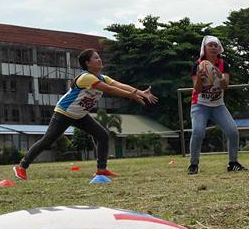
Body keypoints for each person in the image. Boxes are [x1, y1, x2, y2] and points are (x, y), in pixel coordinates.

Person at [13, 49, 156, 181]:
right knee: (48, 140)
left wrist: (140, 92)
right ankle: (21, 166)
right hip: (64, 112)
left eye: (99, 57)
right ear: (87, 63)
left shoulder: (102, 77)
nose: (100, 60)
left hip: (80, 115)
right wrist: (131, 96)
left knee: (102, 135)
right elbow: (109, 89)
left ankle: (101, 170)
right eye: (96, 58)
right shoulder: (86, 78)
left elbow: (119, 85)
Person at [188, 35, 245, 174]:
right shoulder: (198, 64)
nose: (213, 47)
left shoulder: (223, 64)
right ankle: (193, 164)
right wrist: (201, 78)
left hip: (218, 104)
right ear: (204, 48)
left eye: (216, 45)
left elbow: (225, 86)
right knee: (198, 131)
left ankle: (233, 163)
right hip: (200, 104)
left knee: (232, 131)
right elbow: (198, 89)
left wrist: (218, 74)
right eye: (210, 45)